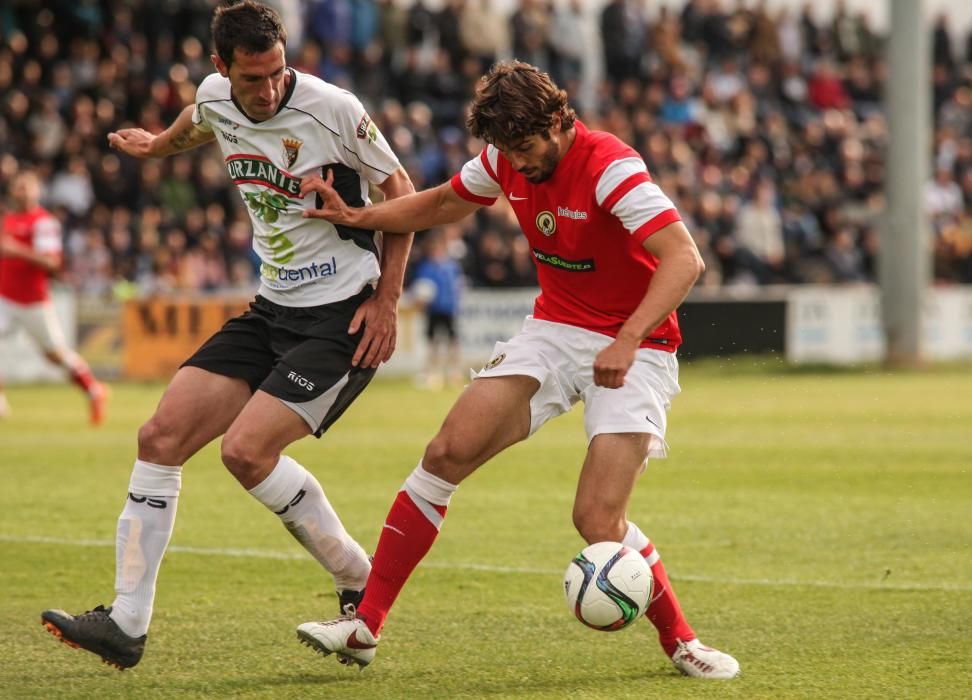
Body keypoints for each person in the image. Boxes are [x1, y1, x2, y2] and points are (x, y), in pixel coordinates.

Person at [296, 61, 740, 680]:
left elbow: (684, 259)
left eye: (527, 148)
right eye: (507, 151)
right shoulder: (506, 159)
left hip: (638, 345)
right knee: (446, 452)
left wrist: (628, 339)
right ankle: (365, 625)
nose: (519, 164)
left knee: (596, 521)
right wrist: (357, 217)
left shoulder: (612, 165)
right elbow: (446, 201)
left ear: (559, 121)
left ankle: (681, 642)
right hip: (554, 330)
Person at [40, 0, 414, 670]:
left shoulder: (332, 107)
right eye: (252, 80)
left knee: (245, 453)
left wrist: (387, 301)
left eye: (276, 74)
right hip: (272, 306)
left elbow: (402, 191)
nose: (267, 90)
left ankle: (357, 575)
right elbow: (200, 119)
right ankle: (126, 623)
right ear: (221, 68)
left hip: (343, 313)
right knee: (158, 438)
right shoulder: (215, 95)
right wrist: (158, 144)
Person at [0, 170, 107, 423]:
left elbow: (51, 262)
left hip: (33, 301)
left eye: (26, 186)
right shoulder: (9, 219)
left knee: (55, 354)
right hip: (5, 298)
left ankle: (94, 390)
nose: (21, 191)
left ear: (37, 191)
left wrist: (17, 250)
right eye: (18, 187)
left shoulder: (43, 222)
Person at [409, 228, 465, 388]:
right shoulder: (426, 267)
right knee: (433, 342)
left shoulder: (451, 266)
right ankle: (432, 375)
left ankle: (455, 373)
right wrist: (420, 300)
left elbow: (458, 285)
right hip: (433, 310)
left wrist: (456, 301)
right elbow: (419, 289)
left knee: (453, 341)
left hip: (449, 309)